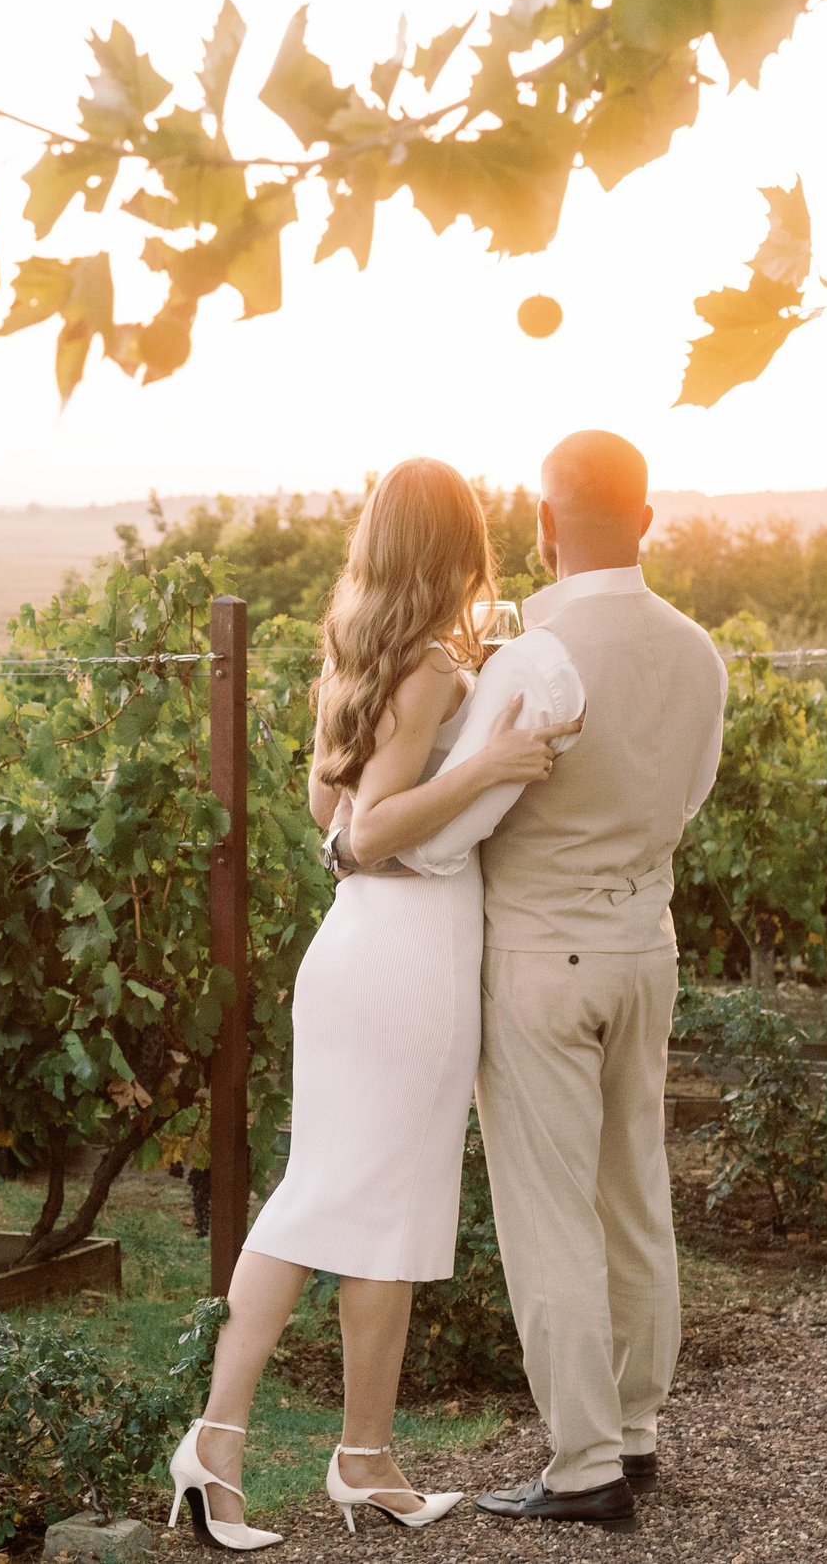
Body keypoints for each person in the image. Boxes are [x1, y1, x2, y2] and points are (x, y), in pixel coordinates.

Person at [165, 457, 580, 1551]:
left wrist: (441, 760)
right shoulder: (434, 671)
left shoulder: (357, 657)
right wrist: (490, 762)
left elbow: (324, 805)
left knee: (387, 1214)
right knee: (323, 1205)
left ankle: (366, 1459)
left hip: (357, 957)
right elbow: (369, 834)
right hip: (405, 955)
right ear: (458, 548)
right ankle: (213, 1448)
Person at [399, 430, 728, 1531]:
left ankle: (582, 1462)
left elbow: (458, 824)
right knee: (635, 1190)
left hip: (541, 957)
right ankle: (636, 1434)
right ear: (646, 520)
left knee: (549, 1216)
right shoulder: (701, 653)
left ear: (542, 529)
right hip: (646, 949)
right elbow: (685, 802)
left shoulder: (524, 662)